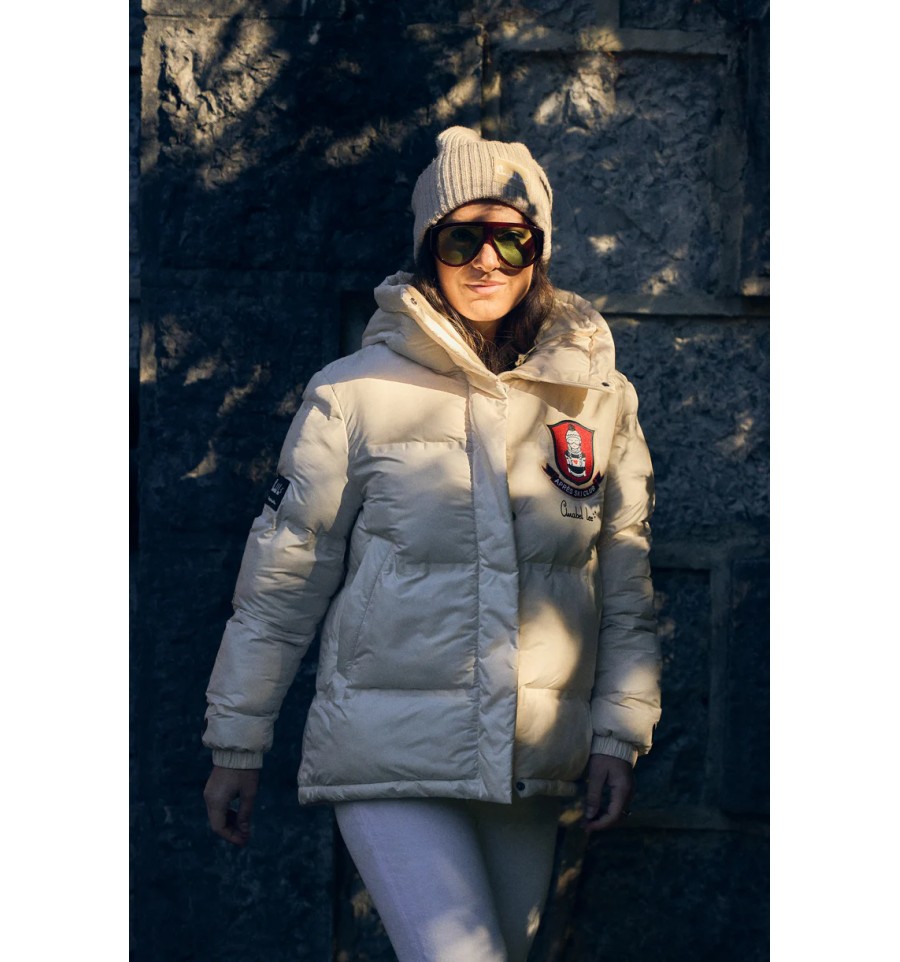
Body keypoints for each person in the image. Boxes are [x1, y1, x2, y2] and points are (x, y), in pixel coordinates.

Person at [202, 126, 661, 962]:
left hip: (529, 760)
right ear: (428, 248)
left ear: (538, 251)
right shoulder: (351, 394)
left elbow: (623, 582)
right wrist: (238, 741)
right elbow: (281, 580)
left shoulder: (598, 399)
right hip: (386, 750)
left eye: (512, 239)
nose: (487, 261)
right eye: (461, 239)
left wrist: (616, 736)